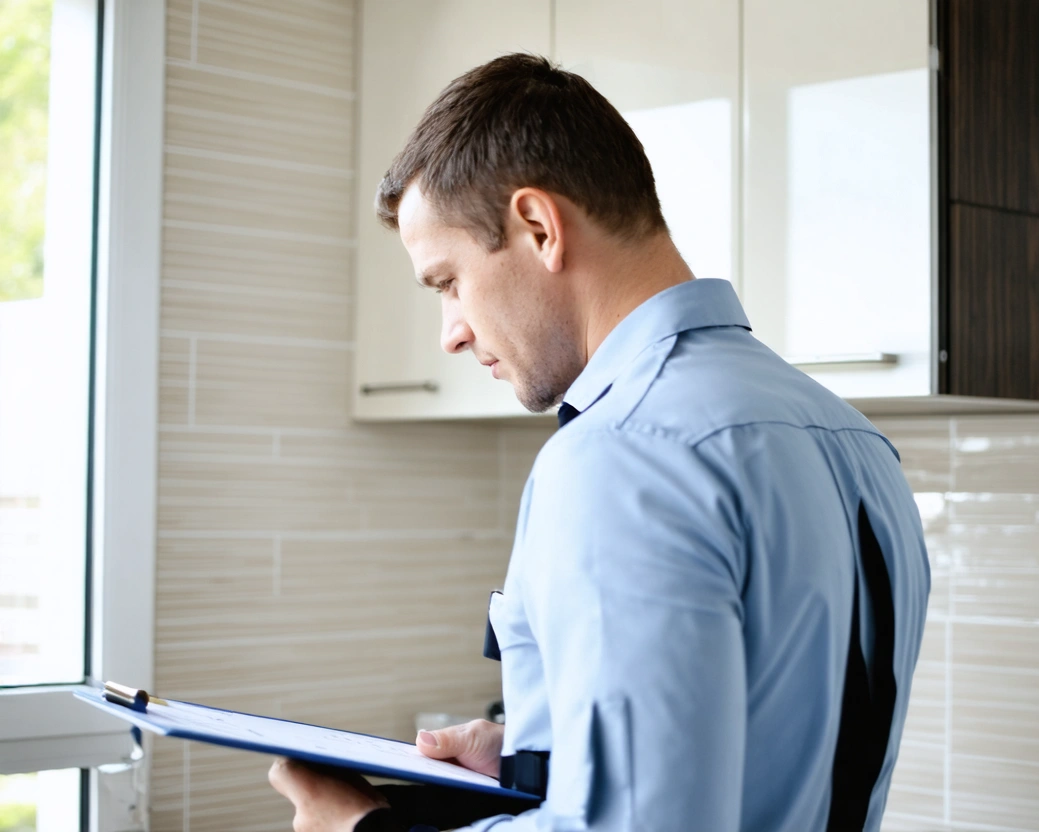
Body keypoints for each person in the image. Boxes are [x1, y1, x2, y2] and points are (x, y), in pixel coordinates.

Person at [269, 53, 931, 832]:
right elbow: (771, 741)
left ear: (539, 227)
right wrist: (537, 755)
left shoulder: (622, 456)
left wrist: (362, 831)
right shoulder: (855, 441)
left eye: (448, 282)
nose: (450, 333)